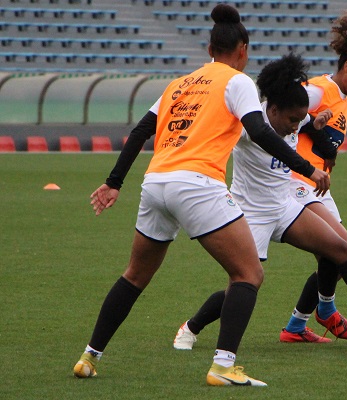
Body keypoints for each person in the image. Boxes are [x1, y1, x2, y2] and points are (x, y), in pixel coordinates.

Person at [72, 4, 330, 387]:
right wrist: (309, 168)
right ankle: (223, 367)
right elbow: (260, 132)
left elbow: (142, 130)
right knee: (248, 273)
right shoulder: (237, 81)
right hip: (197, 184)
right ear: (242, 49)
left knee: (135, 276)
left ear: (210, 47)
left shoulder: (180, 83)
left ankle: (88, 357)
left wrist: (114, 182)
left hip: (156, 181)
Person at [172, 53, 347, 350]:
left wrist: (314, 124)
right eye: (292, 120)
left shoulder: (295, 115)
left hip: (284, 206)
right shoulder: (246, 126)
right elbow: (215, 135)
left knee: (339, 248)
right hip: (252, 215)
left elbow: (304, 123)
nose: (296, 126)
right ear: (273, 110)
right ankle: (191, 327)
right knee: (245, 283)